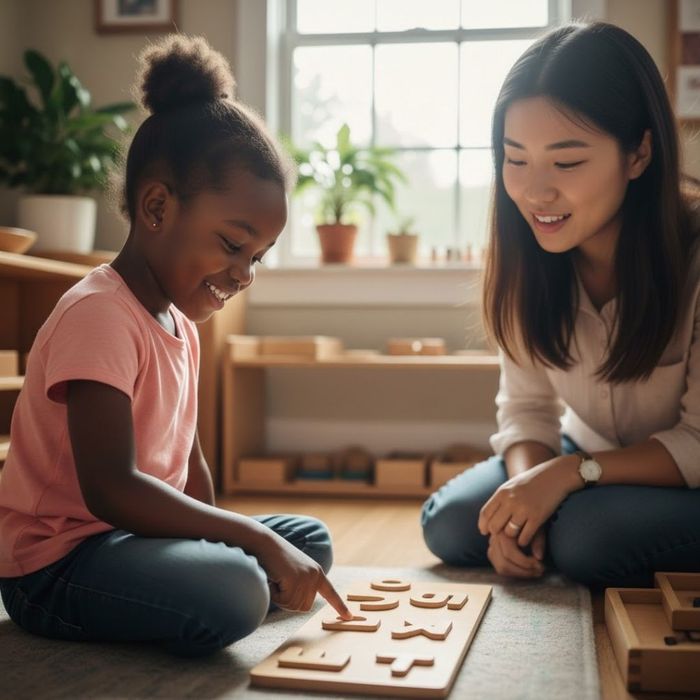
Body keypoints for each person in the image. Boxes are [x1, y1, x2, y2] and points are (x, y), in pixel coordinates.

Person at [0, 35, 351, 656]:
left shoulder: (182, 324)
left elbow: (188, 464)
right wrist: (250, 544)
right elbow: (111, 487)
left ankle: (200, 588)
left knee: (308, 539)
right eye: (232, 244)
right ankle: (207, 595)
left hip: (132, 541)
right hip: (57, 566)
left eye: (258, 257)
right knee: (242, 582)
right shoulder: (100, 313)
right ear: (156, 207)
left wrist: (227, 538)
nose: (244, 273)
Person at [421, 21, 700, 589]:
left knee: (588, 539)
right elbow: (527, 412)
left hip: (683, 473)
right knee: (453, 524)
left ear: (639, 153)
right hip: (587, 453)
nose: (535, 192)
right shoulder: (530, 255)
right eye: (515, 159)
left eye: (567, 163)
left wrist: (570, 476)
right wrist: (529, 493)